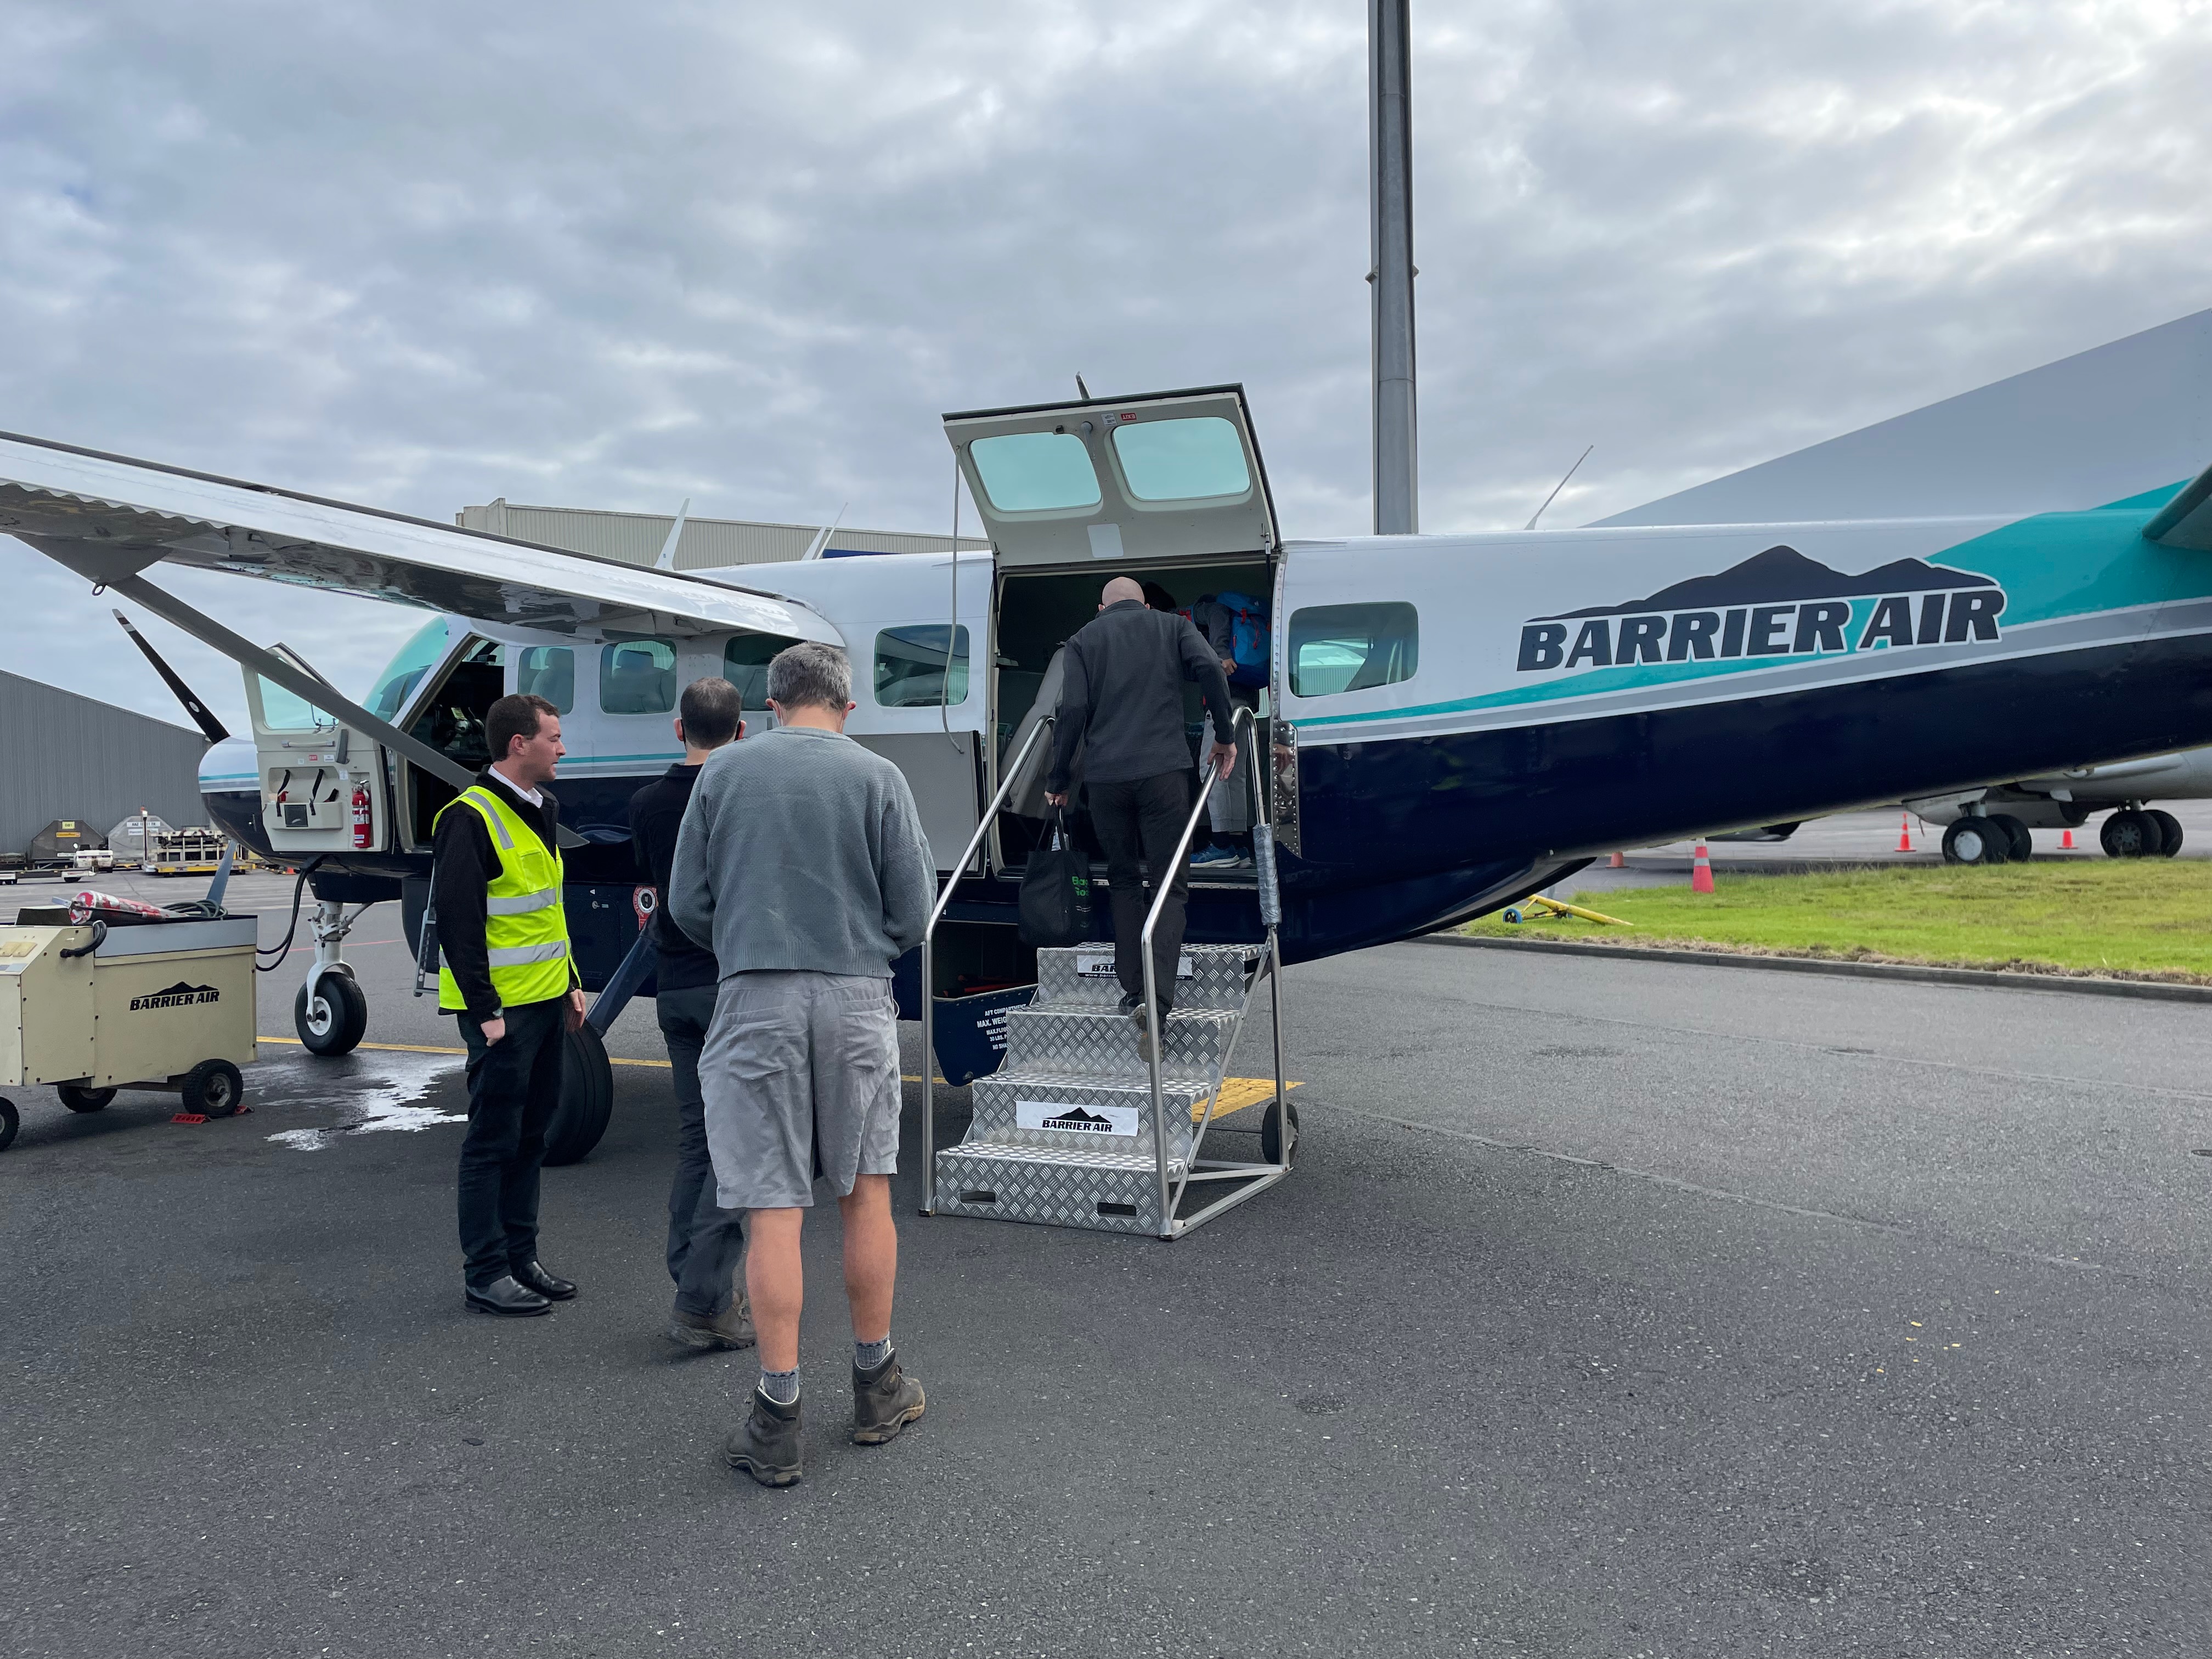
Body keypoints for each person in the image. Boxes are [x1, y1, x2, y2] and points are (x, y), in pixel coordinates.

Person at [668, 641, 934, 1487]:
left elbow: (687, 903)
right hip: (857, 996)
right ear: (846, 707)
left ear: (773, 704)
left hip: (756, 998)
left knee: (772, 1211)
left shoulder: (723, 776)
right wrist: (860, 951)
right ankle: (876, 1384)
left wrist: (751, 946)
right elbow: (915, 911)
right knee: (866, 1196)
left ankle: (777, 1417)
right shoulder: (878, 777)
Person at [432, 691, 587, 1318]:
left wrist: (572, 979)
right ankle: (486, 1272)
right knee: (492, 1141)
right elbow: (459, 924)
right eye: (553, 736)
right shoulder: (468, 818)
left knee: (531, 1135)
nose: (562, 747)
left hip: (546, 1001)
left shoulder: (541, 807)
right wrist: (487, 1012)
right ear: (518, 745)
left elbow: (547, 909)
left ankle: (522, 1257)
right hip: (502, 1015)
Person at [1045, 575, 1237, 1059]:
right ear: (1145, 603)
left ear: (1101, 607)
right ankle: (1158, 1001)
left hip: (1107, 779)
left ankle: (1133, 989)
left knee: (1126, 881)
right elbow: (1211, 668)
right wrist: (1225, 735)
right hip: (1165, 775)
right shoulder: (1171, 626)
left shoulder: (1083, 639)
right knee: (1169, 884)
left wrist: (1059, 778)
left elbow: (1074, 709)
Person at [629, 675, 754, 1352]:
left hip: (674, 985)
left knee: (695, 1139)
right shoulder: (738, 794)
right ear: (741, 732)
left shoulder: (645, 802)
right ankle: (704, 1295)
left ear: (679, 729)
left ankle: (689, 1274)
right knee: (743, 1144)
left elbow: (648, 890)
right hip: (728, 985)